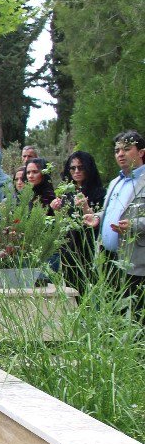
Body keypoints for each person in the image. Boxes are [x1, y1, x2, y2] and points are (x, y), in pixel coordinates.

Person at [84, 130, 145, 311]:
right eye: (117, 150)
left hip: (135, 263)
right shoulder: (114, 182)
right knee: (111, 313)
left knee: (135, 317)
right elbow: (110, 211)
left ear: (141, 152)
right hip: (108, 260)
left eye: (126, 149)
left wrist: (134, 225)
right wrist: (97, 217)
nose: (120, 154)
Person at [52, 151, 105, 289]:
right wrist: (56, 209)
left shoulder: (99, 192)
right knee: (71, 288)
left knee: (91, 287)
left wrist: (86, 207)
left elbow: (101, 221)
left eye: (81, 168)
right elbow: (63, 222)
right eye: (73, 168)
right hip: (69, 248)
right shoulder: (66, 192)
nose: (76, 171)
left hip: (90, 247)